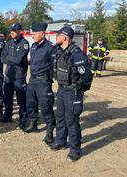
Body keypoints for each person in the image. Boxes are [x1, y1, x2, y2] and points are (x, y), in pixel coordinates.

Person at [49, 26, 93, 162]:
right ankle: (60, 141)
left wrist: (78, 89)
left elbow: (87, 76)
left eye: (58, 36)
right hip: (62, 90)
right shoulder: (59, 51)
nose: (56, 38)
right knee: (60, 117)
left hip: (73, 92)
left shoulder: (77, 54)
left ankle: (75, 150)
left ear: (65, 37)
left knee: (72, 121)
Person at [24, 23, 56, 145]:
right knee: (30, 103)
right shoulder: (33, 46)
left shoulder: (50, 47)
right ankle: (33, 123)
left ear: (42, 34)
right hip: (32, 79)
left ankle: (50, 131)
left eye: (34, 34)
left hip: (43, 81)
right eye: (32, 34)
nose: (32, 36)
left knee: (45, 106)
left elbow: (55, 64)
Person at [0, 23, 29, 130]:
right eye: (11, 30)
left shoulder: (24, 43)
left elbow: (19, 59)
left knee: (21, 99)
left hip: (19, 76)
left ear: (20, 31)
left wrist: (9, 57)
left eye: (15, 30)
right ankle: (8, 116)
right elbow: (2, 58)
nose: (12, 32)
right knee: (7, 97)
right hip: (9, 75)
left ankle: (23, 120)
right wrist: (11, 58)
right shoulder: (9, 42)